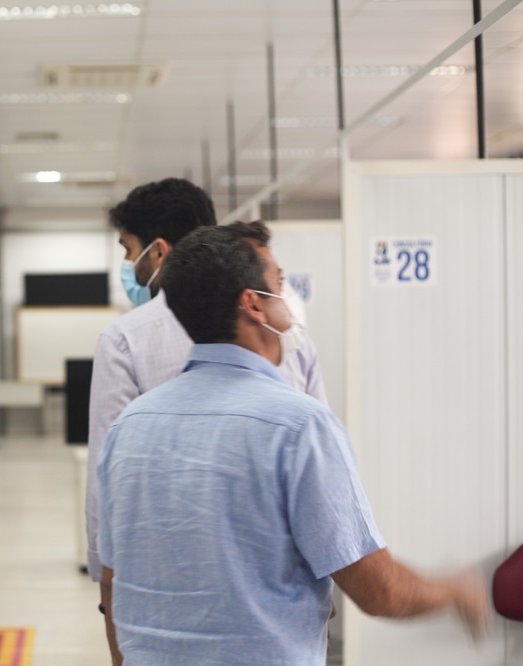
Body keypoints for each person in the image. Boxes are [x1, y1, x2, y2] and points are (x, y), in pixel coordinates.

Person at [96, 222, 489, 665]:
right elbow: (380, 592)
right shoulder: (299, 426)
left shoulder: (129, 426)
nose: (290, 299)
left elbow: (113, 580)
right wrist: (454, 589)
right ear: (254, 305)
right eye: (279, 284)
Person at [85, 178, 327, 661]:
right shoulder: (284, 332)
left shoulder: (126, 338)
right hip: (274, 594)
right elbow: (322, 473)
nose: (126, 265)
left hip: (166, 589)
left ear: (156, 252)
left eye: (127, 249)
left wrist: (107, 591)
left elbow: (106, 481)